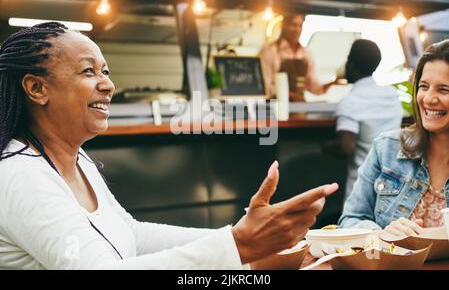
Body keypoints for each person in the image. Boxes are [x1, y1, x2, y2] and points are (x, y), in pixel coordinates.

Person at [0, 22, 339, 269]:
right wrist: (238, 245)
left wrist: (237, 239)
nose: (108, 85)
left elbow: (134, 236)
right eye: (89, 72)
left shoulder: (77, 161)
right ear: (36, 88)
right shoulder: (20, 175)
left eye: (106, 71)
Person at [338, 39, 449, 238]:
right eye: (424, 86)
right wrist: (380, 234)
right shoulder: (386, 148)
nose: (429, 98)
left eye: (444, 90)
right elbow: (350, 219)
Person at [323, 39, 403, 201]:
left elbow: (346, 147)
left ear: (351, 65)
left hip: (361, 188)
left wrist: (325, 147)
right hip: (393, 182)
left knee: (355, 225)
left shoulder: (351, 102)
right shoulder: (391, 95)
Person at [259, 13, 335, 101]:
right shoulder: (270, 51)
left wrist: (333, 83)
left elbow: (313, 85)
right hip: (276, 106)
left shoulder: (307, 53)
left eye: (300, 26)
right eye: (293, 25)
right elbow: (265, 86)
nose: (297, 30)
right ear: (284, 26)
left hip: (299, 107)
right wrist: (290, 95)